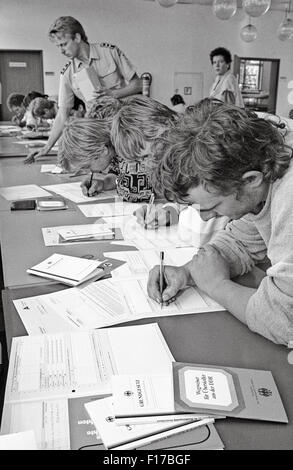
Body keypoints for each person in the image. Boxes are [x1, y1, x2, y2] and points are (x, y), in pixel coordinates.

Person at [147, 98, 293, 346]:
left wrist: (215, 285)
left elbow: (284, 319)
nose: (205, 217)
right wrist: (189, 272)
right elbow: (242, 240)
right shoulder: (259, 174)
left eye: (213, 206)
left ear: (250, 180)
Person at [24, 15, 142, 164]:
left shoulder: (109, 52)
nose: (61, 50)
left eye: (64, 44)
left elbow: (137, 84)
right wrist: (47, 147)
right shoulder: (67, 73)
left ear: (77, 37)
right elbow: (62, 114)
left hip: (126, 126)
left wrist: (114, 94)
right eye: (58, 46)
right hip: (100, 133)